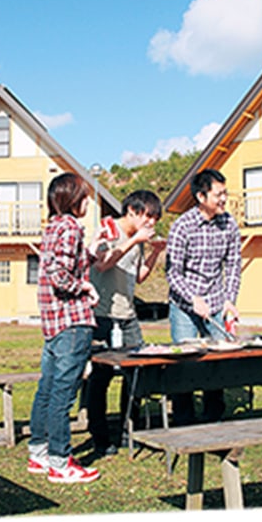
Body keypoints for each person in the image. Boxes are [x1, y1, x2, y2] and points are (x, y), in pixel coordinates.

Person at [27, 172, 101, 483]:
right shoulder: (71, 227)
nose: (88, 201)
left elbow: (64, 263)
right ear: (73, 199)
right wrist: (85, 288)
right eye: (85, 196)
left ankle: (39, 452)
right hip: (72, 321)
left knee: (47, 387)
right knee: (63, 393)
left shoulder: (54, 227)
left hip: (53, 323)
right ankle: (60, 460)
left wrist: (94, 246)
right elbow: (61, 274)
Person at [86, 190, 166, 456]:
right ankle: (100, 437)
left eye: (155, 218)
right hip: (102, 315)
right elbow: (101, 264)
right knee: (101, 377)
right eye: (149, 216)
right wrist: (134, 240)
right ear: (131, 211)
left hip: (128, 315)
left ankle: (126, 430)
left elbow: (140, 276)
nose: (152, 223)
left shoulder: (140, 239)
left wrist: (155, 252)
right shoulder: (109, 228)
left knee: (137, 374)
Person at [165, 168, 241, 425]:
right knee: (185, 361)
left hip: (217, 301)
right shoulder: (182, 226)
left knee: (215, 363)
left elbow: (232, 265)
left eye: (225, 193)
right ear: (201, 196)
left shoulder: (229, 224)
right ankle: (184, 420)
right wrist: (193, 298)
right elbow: (173, 273)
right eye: (218, 194)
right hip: (185, 306)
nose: (223, 199)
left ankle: (213, 418)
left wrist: (229, 299)